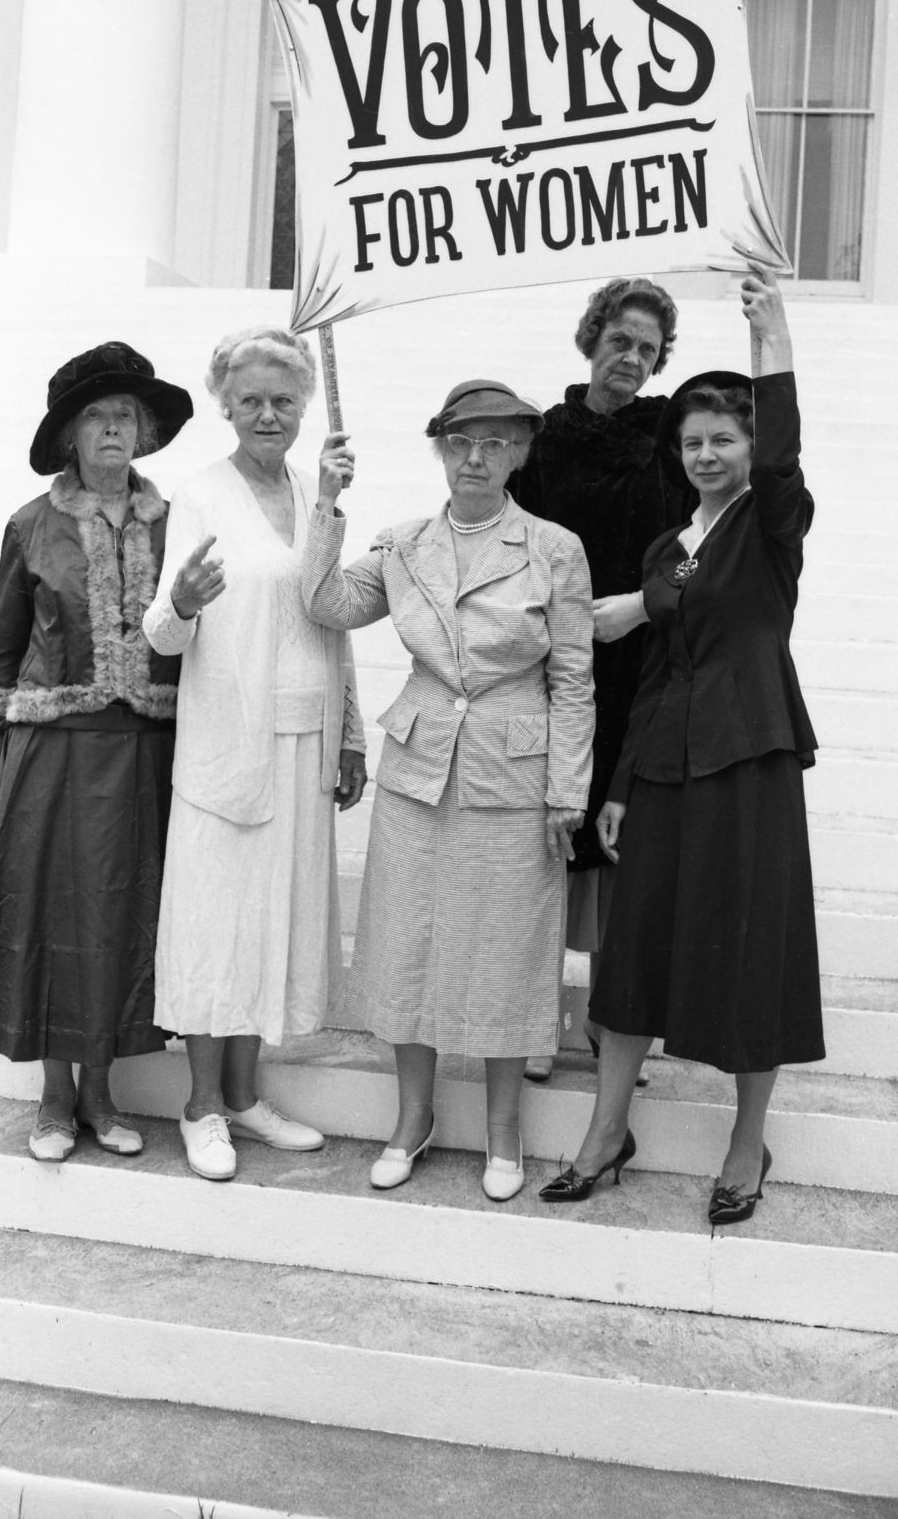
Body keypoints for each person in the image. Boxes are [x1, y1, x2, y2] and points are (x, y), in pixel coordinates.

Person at [539, 270, 823, 1225]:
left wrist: (771, 337)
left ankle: (749, 1145)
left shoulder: (772, 522)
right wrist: (618, 783)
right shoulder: (665, 549)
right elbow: (658, 671)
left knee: (751, 950)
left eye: (724, 440)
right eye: (693, 442)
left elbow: (784, 460)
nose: (706, 454)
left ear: (749, 448)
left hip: (752, 760)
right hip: (660, 768)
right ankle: (605, 1131)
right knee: (632, 958)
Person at [303, 380, 594, 1203]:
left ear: (521, 454)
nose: (477, 457)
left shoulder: (554, 548)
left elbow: (574, 679)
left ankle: (504, 1130)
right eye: (462, 441)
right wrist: (328, 504)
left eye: (497, 442)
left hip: (517, 772)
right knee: (407, 943)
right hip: (420, 768)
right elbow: (322, 603)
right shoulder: (401, 546)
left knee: (508, 948)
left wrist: (566, 788)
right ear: (439, 448)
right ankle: (413, 1117)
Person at [0, 341, 195, 1161]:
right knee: (56, 916)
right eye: (96, 416)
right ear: (69, 437)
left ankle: (104, 1094)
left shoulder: (179, 524)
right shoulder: (31, 524)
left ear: (148, 431)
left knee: (121, 919)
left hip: (144, 753)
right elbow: (0, 652)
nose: (113, 428)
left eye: (126, 414)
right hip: (52, 752)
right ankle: (56, 1101)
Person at [143, 325, 367, 1182]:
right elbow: (162, 634)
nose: (267, 414)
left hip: (304, 739)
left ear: (305, 406)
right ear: (225, 406)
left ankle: (243, 1094)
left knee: (270, 928)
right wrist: (186, 603)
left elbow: (333, 613)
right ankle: (200, 1105)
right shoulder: (197, 494)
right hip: (227, 748)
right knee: (216, 928)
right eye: (251, 401)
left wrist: (349, 732)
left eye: (283, 400)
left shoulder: (318, 491)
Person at [509, 277, 692, 1082]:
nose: (633, 359)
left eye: (649, 350)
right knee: (548, 836)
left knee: (627, 847)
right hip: (555, 666)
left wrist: (649, 608)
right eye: (621, 340)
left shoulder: (668, 437)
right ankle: (533, 1021)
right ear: (591, 338)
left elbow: (704, 546)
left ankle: (609, 1023)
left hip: (644, 666)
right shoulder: (543, 440)